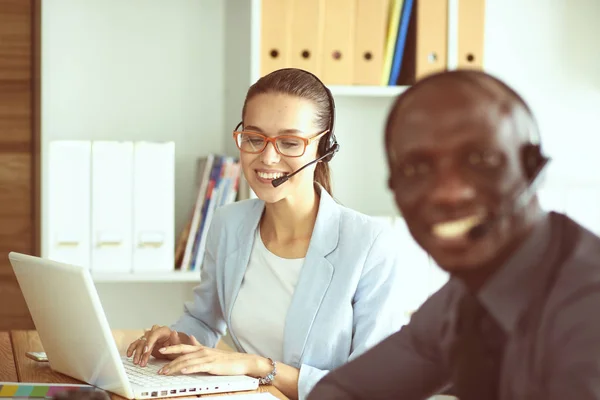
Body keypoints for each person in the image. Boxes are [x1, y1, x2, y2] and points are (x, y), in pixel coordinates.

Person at [307, 69, 600, 400]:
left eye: (481, 160)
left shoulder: (588, 309)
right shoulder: (470, 294)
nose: (448, 193)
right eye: (416, 168)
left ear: (533, 168)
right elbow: (347, 390)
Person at [126, 68, 404, 400]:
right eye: (254, 138)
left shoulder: (370, 244)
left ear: (324, 147)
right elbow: (204, 319)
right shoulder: (229, 224)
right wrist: (178, 341)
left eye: (289, 142)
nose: (267, 157)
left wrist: (258, 367)